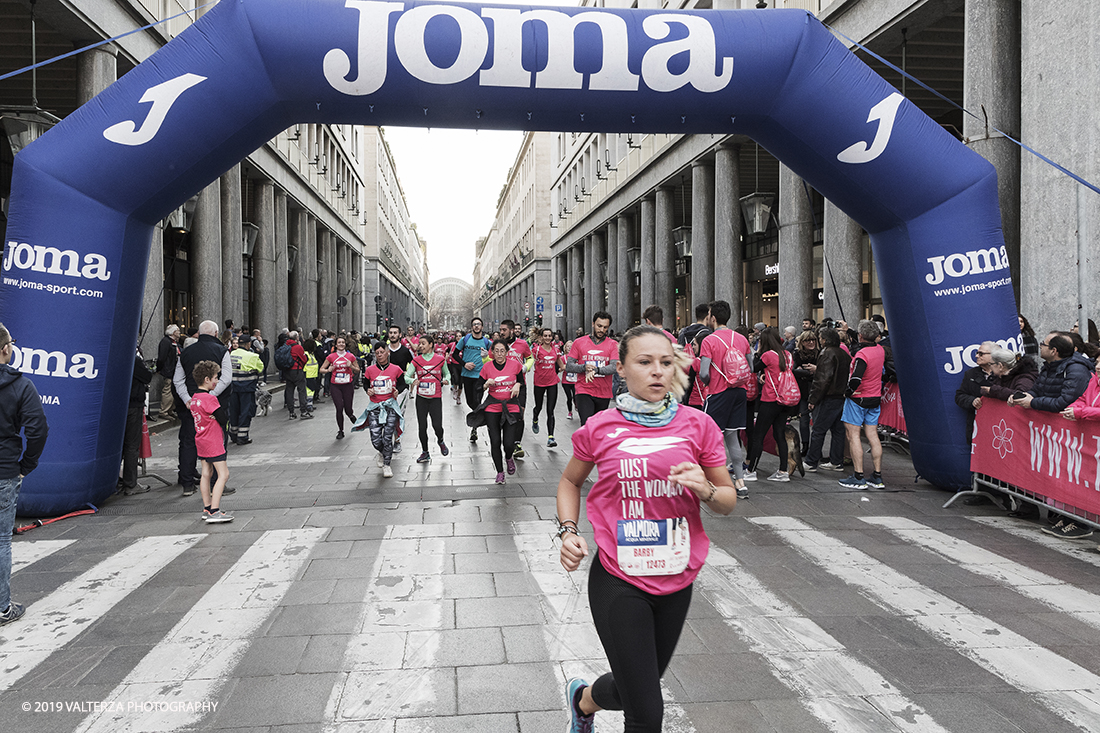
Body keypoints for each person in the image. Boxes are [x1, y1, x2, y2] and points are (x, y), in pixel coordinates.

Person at [556, 325, 737, 733]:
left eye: (665, 362)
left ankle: (584, 700)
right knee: (647, 712)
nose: (657, 371)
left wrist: (705, 488)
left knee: (638, 686)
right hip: (619, 577)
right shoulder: (600, 426)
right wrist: (568, 531)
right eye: (644, 362)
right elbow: (570, 482)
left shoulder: (698, 425)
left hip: (676, 577)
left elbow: (727, 500)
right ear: (621, 369)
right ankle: (588, 704)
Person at [1009, 332, 1094, 538]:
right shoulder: (1049, 366)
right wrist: (1025, 397)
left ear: (1054, 351)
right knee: (1057, 474)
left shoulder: (1076, 370)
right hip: (1053, 434)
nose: (1040, 347)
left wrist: (1033, 403)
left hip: (1072, 434)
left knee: (1073, 476)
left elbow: (1065, 401)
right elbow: (1038, 389)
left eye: (1043, 344)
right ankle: (1064, 515)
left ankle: (1078, 521)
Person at [0, 323, 48, 625]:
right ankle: (2, 607)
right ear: (6, 348)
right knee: (1, 539)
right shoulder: (20, 386)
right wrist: (27, 465)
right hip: (4, 469)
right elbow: (38, 429)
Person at [174, 320, 234, 497]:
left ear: (199, 334)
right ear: (216, 334)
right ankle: (216, 482)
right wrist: (210, 397)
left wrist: (189, 399)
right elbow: (227, 378)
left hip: (190, 405)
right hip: (215, 406)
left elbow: (178, 380)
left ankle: (186, 482)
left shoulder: (185, 352)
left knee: (188, 441)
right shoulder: (222, 350)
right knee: (217, 442)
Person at [698, 299, 751, 497]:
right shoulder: (742, 339)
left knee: (710, 437)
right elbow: (750, 368)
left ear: (712, 317)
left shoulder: (709, 340)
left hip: (718, 392)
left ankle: (711, 481)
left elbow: (704, 372)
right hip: (739, 391)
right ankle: (741, 483)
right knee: (733, 437)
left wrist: (709, 382)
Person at [744, 327, 798, 482]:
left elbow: (752, 368)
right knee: (779, 434)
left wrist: (757, 352)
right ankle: (782, 471)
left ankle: (751, 470)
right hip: (785, 400)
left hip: (770, 400)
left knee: (758, 435)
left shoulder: (768, 355)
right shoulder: (787, 354)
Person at [838, 320, 887, 490]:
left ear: (860, 336)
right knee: (873, 435)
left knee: (854, 436)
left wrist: (847, 392)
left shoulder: (862, 355)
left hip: (858, 398)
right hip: (875, 397)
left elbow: (856, 378)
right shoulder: (880, 350)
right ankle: (877, 475)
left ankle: (858, 476)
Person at [473, 339, 523, 484]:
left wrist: (518, 385)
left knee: (508, 443)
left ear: (507, 352)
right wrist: (485, 385)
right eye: (496, 351)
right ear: (492, 353)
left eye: (502, 351)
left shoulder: (515, 365)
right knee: (495, 441)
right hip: (492, 407)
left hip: (511, 406)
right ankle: (500, 472)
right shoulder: (487, 367)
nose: (499, 354)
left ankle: (508, 457)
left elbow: (522, 383)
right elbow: (477, 387)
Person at [190, 360, 233, 523]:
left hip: (201, 439)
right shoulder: (210, 399)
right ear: (207, 379)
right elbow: (223, 418)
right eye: (215, 377)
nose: (217, 381)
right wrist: (217, 417)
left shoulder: (194, 398)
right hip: (214, 441)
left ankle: (207, 508)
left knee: (206, 474)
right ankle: (215, 510)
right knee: (224, 474)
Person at [803, 327, 851, 473]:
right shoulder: (844, 353)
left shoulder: (827, 354)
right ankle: (836, 461)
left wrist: (813, 399)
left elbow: (823, 379)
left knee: (818, 430)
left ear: (825, 340)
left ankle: (811, 461)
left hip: (828, 397)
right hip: (841, 396)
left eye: (820, 338)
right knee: (838, 431)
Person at [363, 343, 407, 478]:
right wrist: (368, 390)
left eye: (382, 352)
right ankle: (381, 452)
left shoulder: (396, 369)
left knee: (388, 437)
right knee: (376, 439)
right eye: (377, 353)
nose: (380, 355)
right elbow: (365, 383)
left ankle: (387, 465)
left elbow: (403, 383)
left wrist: (398, 390)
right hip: (375, 407)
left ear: (388, 353)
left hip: (390, 406)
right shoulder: (370, 370)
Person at [566, 311, 618, 425]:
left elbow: (614, 367)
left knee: (598, 428)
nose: (602, 330)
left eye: (605, 327)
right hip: (584, 390)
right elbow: (569, 366)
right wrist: (584, 367)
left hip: (603, 392)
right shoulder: (579, 342)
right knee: (587, 425)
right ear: (593, 324)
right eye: (599, 326)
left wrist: (596, 370)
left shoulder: (613, 344)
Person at [410, 334, 450, 462]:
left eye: (423, 343)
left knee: (437, 425)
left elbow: (447, 373)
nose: (420, 346)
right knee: (422, 426)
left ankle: (441, 440)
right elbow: (407, 376)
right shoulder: (416, 360)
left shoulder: (440, 359)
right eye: (419, 343)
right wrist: (412, 380)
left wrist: (446, 380)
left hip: (435, 397)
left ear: (431, 345)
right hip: (421, 397)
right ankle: (425, 452)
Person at [120, 347, 152, 495]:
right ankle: (130, 483)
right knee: (132, 445)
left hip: (118, 406)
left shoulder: (115, 357)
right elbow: (147, 377)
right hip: (133, 405)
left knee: (119, 445)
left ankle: (116, 480)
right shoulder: (133, 360)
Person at [455, 318, 492, 442]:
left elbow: (494, 357)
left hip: (480, 376)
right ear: (472, 327)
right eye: (474, 324)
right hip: (467, 375)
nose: (476, 326)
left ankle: (474, 428)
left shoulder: (487, 342)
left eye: (479, 324)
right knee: (471, 402)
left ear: (482, 327)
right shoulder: (465, 339)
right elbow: (454, 354)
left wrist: (487, 357)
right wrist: (464, 364)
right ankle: (482, 416)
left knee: (477, 399)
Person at [954, 341, 997, 446]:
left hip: (1000, 426)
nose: (977, 356)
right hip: (978, 427)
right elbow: (960, 396)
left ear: (994, 355)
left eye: (981, 354)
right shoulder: (970, 374)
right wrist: (972, 401)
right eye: (977, 353)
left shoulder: (1005, 374)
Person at [320, 335, 361, 439]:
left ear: (345, 344)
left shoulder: (350, 356)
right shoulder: (331, 357)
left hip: (347, 385)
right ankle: (341, 431)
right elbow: (321, 369)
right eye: (339, 342)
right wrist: (328, 370)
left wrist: (351, 366)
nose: (341, 344)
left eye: (343, 342)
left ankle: (351, 415)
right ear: (336, 345)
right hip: (335, 385)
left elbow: (357, 370)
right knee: (339, 408)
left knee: (347, 409)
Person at [531, 328, 564, 448]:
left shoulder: (556, 350)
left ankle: (551, 437)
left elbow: (561, 365)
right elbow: (529, 360)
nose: (548, 338)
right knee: (539, 407)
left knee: (550, 410)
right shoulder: (536, 350)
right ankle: (535, 418)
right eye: (545, 336)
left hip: (552, 383)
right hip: (539, 383)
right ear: (541, 337)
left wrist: (575, 367)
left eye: (549, 336)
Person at [229, 336, 263, 445]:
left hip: (232, 388)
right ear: (249, 344)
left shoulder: (231, 355)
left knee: (233, 411)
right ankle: (242, 436)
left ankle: (233, 434)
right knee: (245, 411)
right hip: (246, 389)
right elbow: (260, 368)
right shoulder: (253, 356)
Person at [791, 330, 819, 450]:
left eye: (813, 340)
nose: (811, 342)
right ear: (802, 342)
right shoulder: (796, 354)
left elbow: (823, 373)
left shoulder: (820, 353)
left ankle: (815, 448)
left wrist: (813, 371)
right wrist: (809, 372)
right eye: (808, 340)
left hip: (817, 390)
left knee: (817, 421)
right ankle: (806, 445)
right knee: (803, 420)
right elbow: (792, 371)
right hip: (803, 391)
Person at [152, 324, 181, 421]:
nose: (179, 332)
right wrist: (160, 368)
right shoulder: (166, 342)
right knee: (168, 390)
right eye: (178, 330)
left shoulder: (174, 342)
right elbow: (162, 358)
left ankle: (170, 410)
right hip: (169, 370)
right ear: (173, 332)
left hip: (174, 370)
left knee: (172, 391)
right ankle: (164, 411)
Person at [282, 331, 308, 419]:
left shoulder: (285, 346)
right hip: (297, 370)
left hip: (287, 371)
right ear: (297, 338)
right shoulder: (298, 347)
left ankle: (291, 412)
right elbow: (304, 359)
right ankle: (303, 411)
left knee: (289, 391)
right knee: (301, 390)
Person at [561, 338, 576, 420]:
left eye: (571, 346)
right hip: (566, 381)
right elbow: (559, 368)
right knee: (569, 397)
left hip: (575, 381)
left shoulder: (577, 357)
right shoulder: (563, 358)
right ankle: (570, 412)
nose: (569, 348)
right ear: (565, 348)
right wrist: (562, 368)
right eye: (568, 346)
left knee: (575, 397)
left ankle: (577, 405)